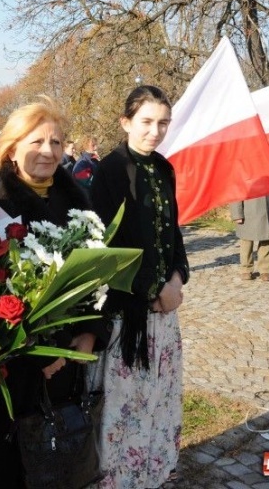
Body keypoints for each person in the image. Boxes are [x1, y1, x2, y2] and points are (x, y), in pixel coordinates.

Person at [0, 97, 102, 488]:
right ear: (12, 148)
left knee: (60, 465)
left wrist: (89, 334)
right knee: (8, 471)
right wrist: (38, 352)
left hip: (68, 366)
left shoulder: (78, 204)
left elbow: (94, 278)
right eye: (36, 141)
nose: (48, 151)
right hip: (16, 374)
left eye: (56, 142)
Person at [90, 85, 189, 488]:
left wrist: (178, 276)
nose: (155, 131)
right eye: (146, 121)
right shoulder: (111, 170)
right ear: (126, 122)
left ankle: (152, 473)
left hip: (163, 315)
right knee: (125, 406)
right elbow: (106, 244)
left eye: (163, 122)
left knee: (157, 402)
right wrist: (152, 290)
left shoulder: (164, 167)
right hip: (128, 314)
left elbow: (173, 234)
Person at [230, 194, 269, 281]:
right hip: (247, 210)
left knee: (266, 239)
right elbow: (236, 192)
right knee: (246, 240)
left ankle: (265, 270)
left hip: (267, 209)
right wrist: (237, 214)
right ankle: (246, 269)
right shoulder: (242, 179)